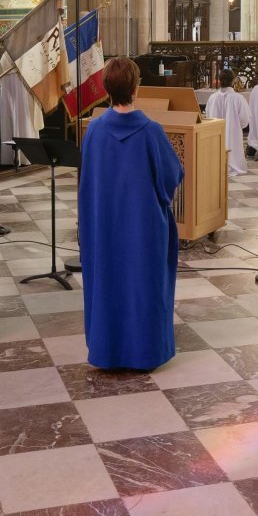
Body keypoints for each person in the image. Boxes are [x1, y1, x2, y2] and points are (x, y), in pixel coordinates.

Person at [79, 57, 183, 371]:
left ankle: (108, 350)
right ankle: (145, 351)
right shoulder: (150, 131)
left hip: (105, 225)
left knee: (108, 282)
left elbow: (88, 179)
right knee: (143, 285)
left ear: (106, 89)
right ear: (136, 89)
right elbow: (171, 175)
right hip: (143, 226)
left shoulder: (95, 129)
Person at [205, 68, 252, 176]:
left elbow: (207, 115)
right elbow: (245, 119)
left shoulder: (212, 98)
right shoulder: (238, 98)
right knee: (232, 147)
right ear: (233, 80)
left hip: (215, 133)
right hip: (233, 134)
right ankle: (233, 164)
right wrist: (236, 126)